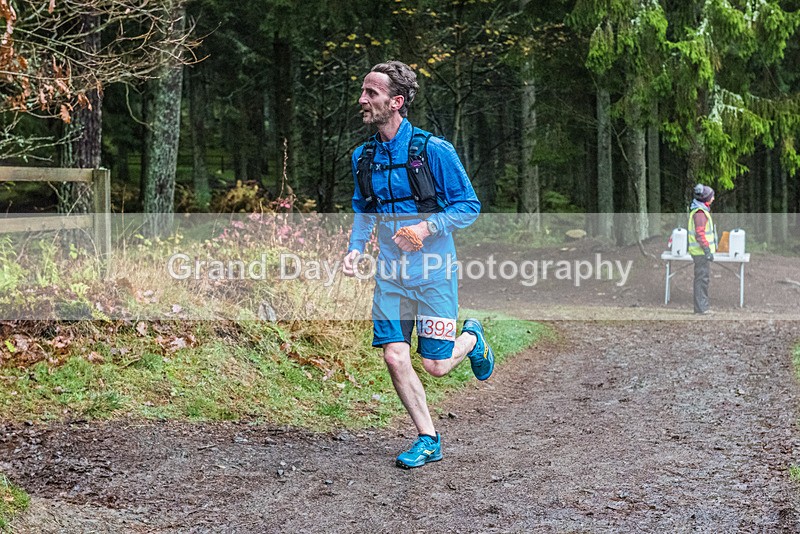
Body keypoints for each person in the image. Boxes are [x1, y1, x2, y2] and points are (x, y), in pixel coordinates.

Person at [342, 60, 494, 469]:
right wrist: (356, 247)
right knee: (394, 355)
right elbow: (363, 209)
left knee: (437, 365)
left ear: (396, 101)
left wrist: (427, 227)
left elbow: (469, 206)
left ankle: (472, 340)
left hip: (433, 276)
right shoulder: (363, 157)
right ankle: (428, 437)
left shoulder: (434, 150)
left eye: (370, 93)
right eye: (363, 91)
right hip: (390, 276)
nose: (362, 99)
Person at [688, 184, 717, 315]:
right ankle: (701, 308)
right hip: (700, 252)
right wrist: (706, 249)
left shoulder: (699, 210)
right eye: (712, 196)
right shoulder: (700, 213)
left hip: (699, 252)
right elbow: (700, 233)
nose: (713, 199)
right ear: (706, 198)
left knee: (702, 278)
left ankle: (701, 307)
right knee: (702, 279)